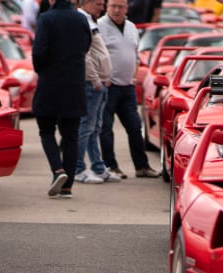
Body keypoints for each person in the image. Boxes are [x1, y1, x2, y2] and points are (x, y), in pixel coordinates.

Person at [32, 0, 90, 198]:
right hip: (74, 85)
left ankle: (58, 170)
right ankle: (67, 186)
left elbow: (39, 53)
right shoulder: (81, 19)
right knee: (71, 136)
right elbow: (86, 46)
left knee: (46, 130)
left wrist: (44, 71)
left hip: (50, 84)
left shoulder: (46, 19)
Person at [98, 0, 156, 178]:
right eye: (113, 6)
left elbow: (135, 54)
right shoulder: (99, 26)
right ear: (107, 7)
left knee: (135, 127)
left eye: (120, 7)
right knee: (106, 129)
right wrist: (101, 78)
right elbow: (93, 54)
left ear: (126, 8)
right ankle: (111, 166)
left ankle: (142, 166)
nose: (116, 10)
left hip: (127, 87)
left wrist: (134, 75)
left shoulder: (131, 27)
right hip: (108, 86)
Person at [74, 0, 112, 183]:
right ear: (86, 2)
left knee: (95, 127)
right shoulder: (83, 20)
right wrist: (96, 79)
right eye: (98, 4)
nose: (102, 8)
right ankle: (78, 168)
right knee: (86, 127)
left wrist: (105, 77)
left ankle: (98, 166)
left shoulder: (90, 19)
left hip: (99, 81)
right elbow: (85, 54)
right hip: (91, 82)